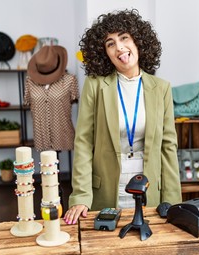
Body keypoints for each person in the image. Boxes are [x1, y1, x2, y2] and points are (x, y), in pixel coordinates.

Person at [64, 9, 182, 225]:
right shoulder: (95, 85)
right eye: (110, 43)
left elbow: (168, 147)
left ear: (138, 41)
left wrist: (173, 201)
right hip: (108, 189)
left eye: (124, 38)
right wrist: (80, 195)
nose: (119, 47)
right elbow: (83, 142)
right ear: (105, 53)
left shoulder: (161, 88)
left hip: (148, 190)